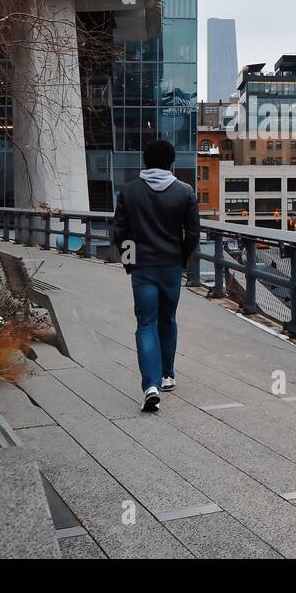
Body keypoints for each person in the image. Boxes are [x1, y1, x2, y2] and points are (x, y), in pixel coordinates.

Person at [111, 138, 200, 412]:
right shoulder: (185, 192)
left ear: (145, 161)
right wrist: (181, 260)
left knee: (146, 323)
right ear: (171, 162)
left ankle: (150, 385)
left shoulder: (129, 192)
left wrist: (129, 263)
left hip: (143, 268)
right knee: (168, 319)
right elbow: (193, 234)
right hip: (171, 266)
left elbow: (120, 233)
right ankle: (167, 375)